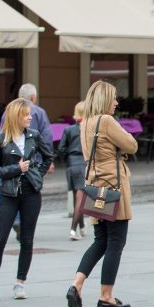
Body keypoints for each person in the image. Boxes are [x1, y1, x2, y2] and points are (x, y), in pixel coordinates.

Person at [66, 81, 139, 307]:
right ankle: (106, 295)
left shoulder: (85, 122)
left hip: (94, 185)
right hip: (113, 186)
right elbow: (131, 144)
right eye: (114, 98)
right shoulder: (106, 121)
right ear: (105, 100)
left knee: (101, 241)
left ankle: (76, 284)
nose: (117, 103)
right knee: (116, 242)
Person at [0, 98, 54, 301]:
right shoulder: (0, 139)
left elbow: (48, 156)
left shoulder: (34, 135)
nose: (30, 118)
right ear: (16, 116)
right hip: (8, 194)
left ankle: (20, 283)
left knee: (27, 240)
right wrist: (17, 169)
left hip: (31, 193)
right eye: (26, 115)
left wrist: (37, 175)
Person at [0, 83, 54, 242]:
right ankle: (23, 222)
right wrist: (44, 166)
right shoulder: (39, 112)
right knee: (29, 193)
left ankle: (17, 221)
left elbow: (1, 136)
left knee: (13, 191)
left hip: (11, 162)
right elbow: (47, 137)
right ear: (33, 97)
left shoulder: (8, 112)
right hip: (33, 163)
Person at [58, 101, 88, 240]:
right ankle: (72, 229)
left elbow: (61, 149)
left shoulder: (69, 130)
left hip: (71, 165)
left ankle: (82, 228)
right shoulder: (88, 129)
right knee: (80, 200)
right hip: (83, 164)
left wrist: (67, 161)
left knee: (77, 197)